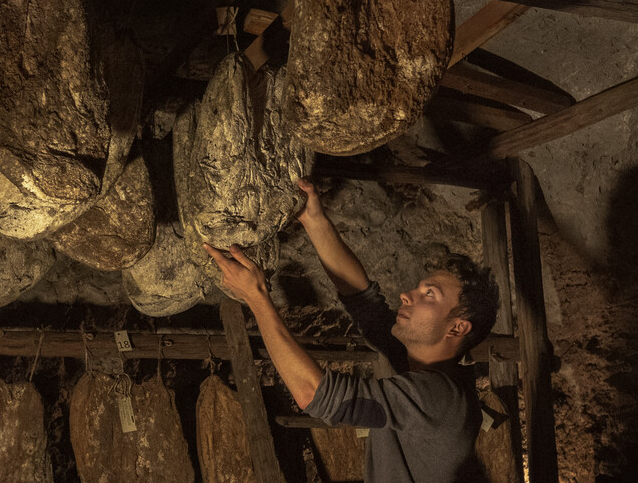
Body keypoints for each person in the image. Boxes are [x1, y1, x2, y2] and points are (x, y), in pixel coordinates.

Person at [203, 178, 499, 483]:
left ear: (457, 327)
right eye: (419, 289)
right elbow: (363, 301)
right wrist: (313, 219)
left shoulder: (437, 397)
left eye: (429, 295)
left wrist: (256, 297)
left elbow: (314, 394)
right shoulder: (428, 369)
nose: (407, 295)